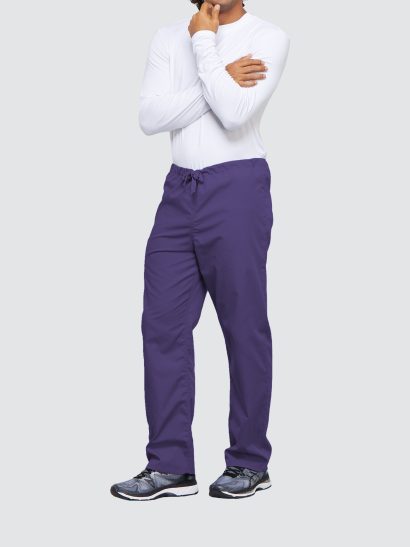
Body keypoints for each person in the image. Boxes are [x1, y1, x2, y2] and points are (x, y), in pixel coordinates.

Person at [110, 0, 290, 501]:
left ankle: (250, 462)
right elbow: (150, 118)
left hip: (237, 188)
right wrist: (219, 76)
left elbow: (234, 115)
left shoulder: (268, 37)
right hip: (178, 191)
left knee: (243, 326)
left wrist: (204, 44)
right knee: (161, 326)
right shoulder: (168, 36)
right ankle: (170, 466)